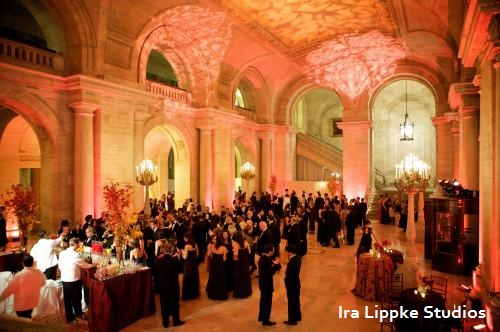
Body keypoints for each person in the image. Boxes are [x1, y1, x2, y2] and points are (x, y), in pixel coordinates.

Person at [58, 237, 95, 323]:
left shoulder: (62, 253)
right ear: (75, 245)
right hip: (74, 279)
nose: (79, 245)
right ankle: (79, 314)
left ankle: (69, 317)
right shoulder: (75, 255)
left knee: (67, 299)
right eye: (78, 244)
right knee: (76, 298)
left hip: (64, 278)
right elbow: (86, 266)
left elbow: (60, 265)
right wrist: (95, 264)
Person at [156, 243, 185, 328]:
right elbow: (179, 270)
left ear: (164, 250)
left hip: (162, 285)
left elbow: (156, 274)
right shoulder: (174, 260)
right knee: (175, 303)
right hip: (173, 285)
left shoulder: (158, 260)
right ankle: (176, 321)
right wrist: (179, 258)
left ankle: (165, 323)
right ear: (171, 250)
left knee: (164, 304)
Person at [258, 243, 280, 326]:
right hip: (267, 284)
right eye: (273, 250)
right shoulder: (267, 261)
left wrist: (273, 264)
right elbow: (270, 272)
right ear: (270, 252)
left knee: (262, 300)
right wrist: (276, 265)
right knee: (267, 302)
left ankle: (261, 316)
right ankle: (265, 320)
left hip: (262, 283)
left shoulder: (262, 258)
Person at [284, 244, 302, 325]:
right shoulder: (298, 258)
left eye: (287, 252)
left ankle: (292, 320)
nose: (287, 253)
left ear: (291, 252)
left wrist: (285, 280)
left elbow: (289, 275)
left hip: (291, 285)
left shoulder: (292, 262)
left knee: (291, 302)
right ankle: (298, 316)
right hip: (297, 284)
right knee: (296, 301)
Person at [232, 230, 252, 298]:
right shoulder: (245, 242)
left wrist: (234, 257)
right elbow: (249, 252)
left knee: (239, 276)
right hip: (245, 260)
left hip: (239, 261)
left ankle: (239, 293)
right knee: (245, 275)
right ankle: (246, 291)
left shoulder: (235, 243)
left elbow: (236, 254)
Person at [181, 232, 200, 300]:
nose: (184, 239)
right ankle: (194, 293)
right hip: (194, 264)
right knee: (194, 278)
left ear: (187, 238)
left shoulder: (187, 246)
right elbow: (197, 254)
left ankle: (188, 294)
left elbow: (185, 257)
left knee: (187, 278)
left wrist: (182, 252)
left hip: (188, 264)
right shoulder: (195, 244)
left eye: (184, 238)